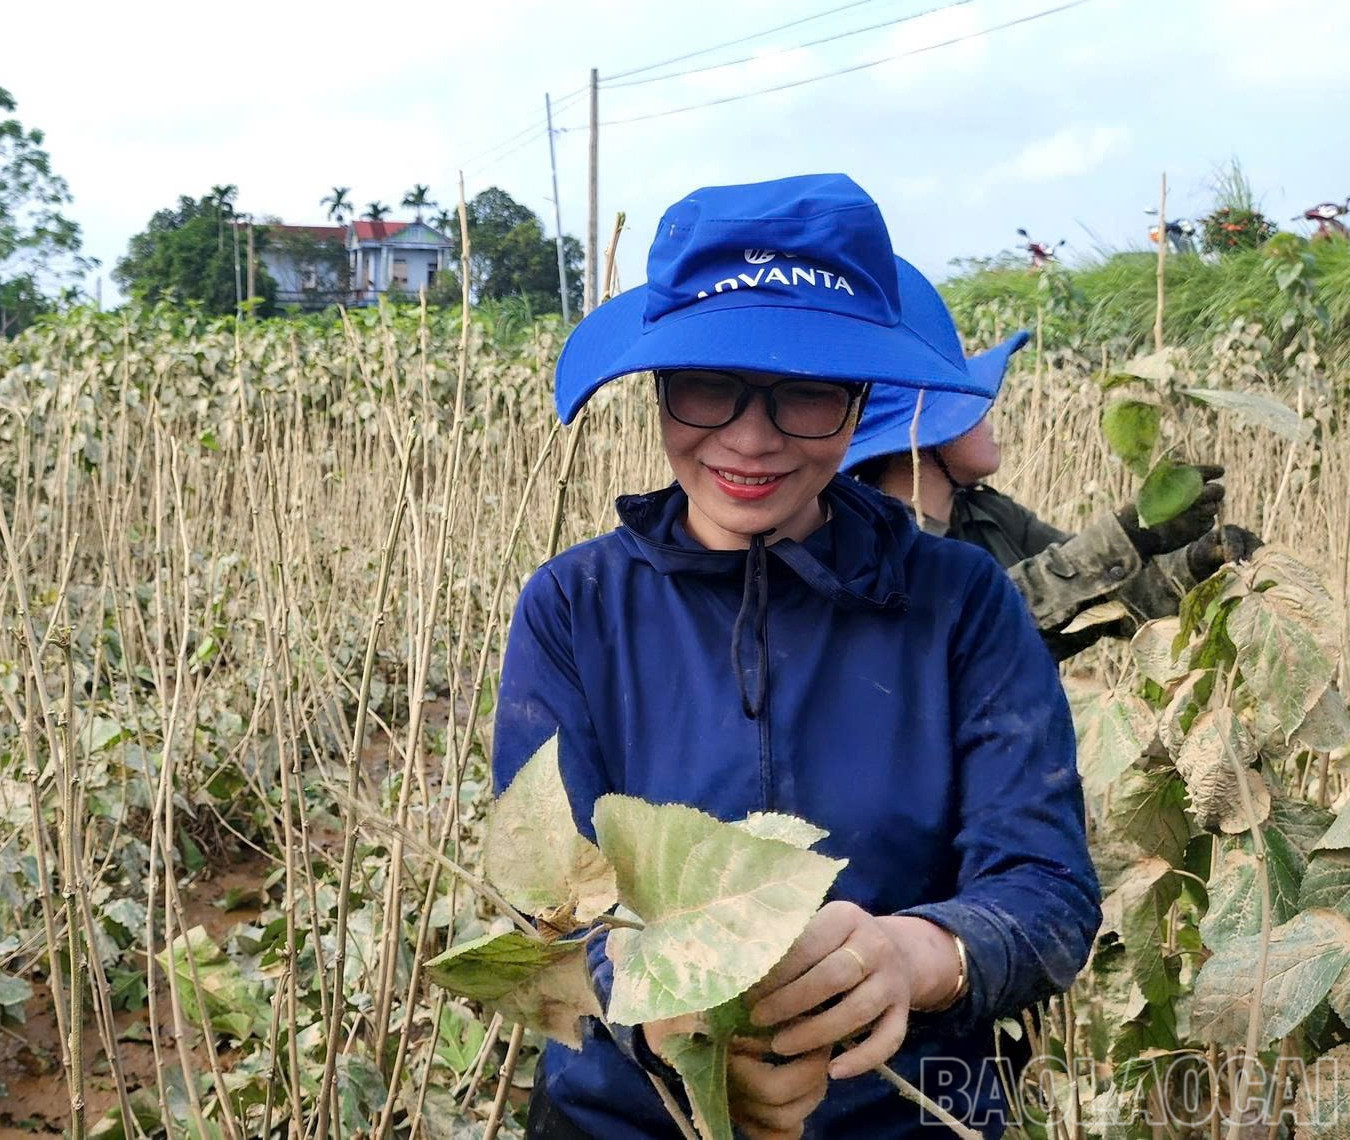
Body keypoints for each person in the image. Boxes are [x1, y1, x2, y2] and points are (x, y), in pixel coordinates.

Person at [497, 174, 1101, 1137]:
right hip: (625, 1116)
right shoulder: (574, 607)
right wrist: (672, 1020)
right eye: (708, 387)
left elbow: (1047, 891)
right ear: (659, 390)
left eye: (807, 395)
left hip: (907, 1114)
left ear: (859, 403)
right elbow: (550, 906)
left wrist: (916, 956)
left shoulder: (961, 602)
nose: (750, 439)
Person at [843, 295, 1259, 661]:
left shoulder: (989, 514)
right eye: (972, 412)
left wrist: (1195, 564)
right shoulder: (870, 542)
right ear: (925, 437)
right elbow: (972, 621)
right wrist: (1128, 535)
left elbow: (1102, 597)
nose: (989, 422)